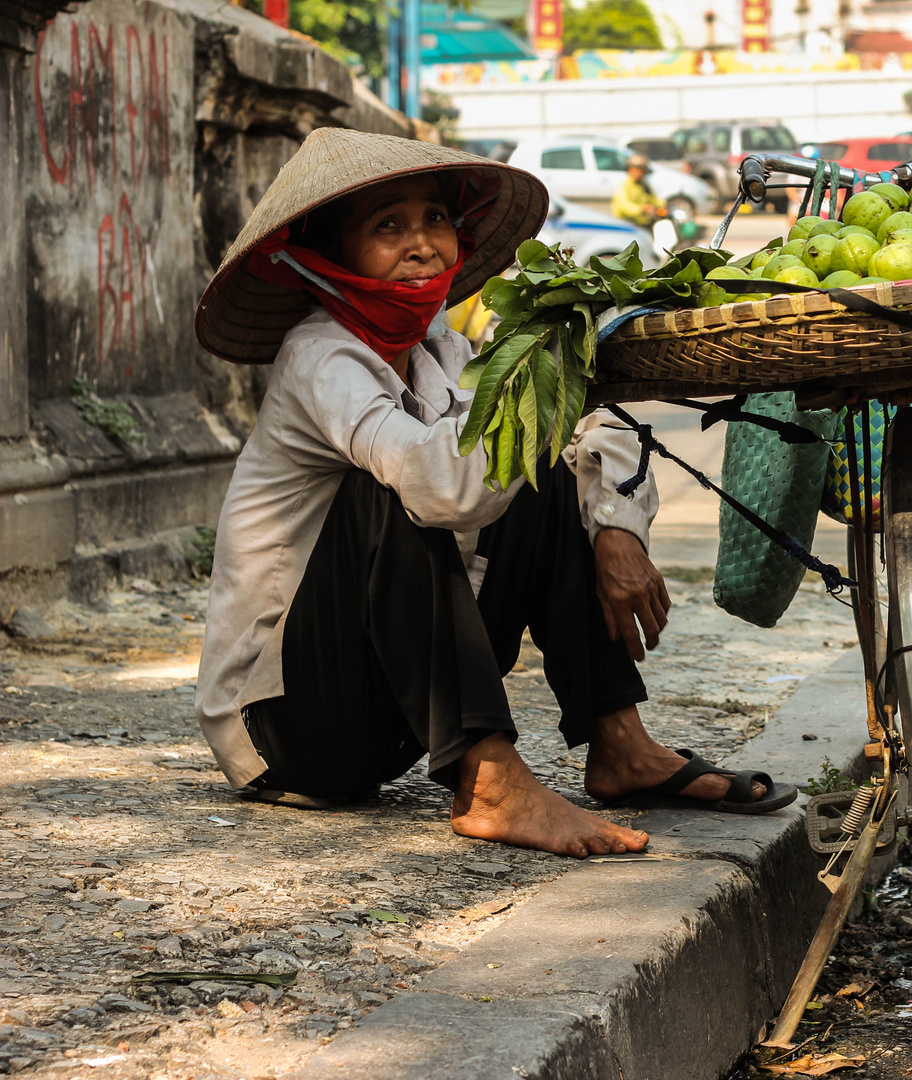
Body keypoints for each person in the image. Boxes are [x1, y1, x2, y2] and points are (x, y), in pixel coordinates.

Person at [192, 128, 795, 858]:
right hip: (290, 726)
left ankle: (619, 742)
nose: (422, 245)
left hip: (397, 721)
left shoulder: (441, 349)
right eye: (388, 227)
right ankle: (488, 782)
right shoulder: (320, 357)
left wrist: (614, 526)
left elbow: (595, 428)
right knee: (399, 486)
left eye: (435, 221)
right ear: (328, 256)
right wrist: (550, 402)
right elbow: (441, 491)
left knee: (536, 465)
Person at [610, 154, 666, 228]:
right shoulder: (624, 186)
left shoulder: (643, 185)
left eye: (644, 171)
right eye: (641, 171)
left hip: (645, 224)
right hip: (628, 226)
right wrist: (641, 209)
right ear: (631, 169)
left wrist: (664, 206)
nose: (642, 174)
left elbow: (654, 199)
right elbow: (625, 206)